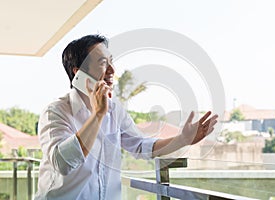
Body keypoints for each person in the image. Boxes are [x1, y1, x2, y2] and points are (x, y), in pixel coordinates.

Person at [35, 34, 218, 200]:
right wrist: (98, 115)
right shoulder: (55, 112)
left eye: (111, 61)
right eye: (102, 62)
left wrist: (182, 140)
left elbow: (139, 146)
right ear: (78, 72)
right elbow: (63, 163)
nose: (112, 70)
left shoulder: (114, 109)